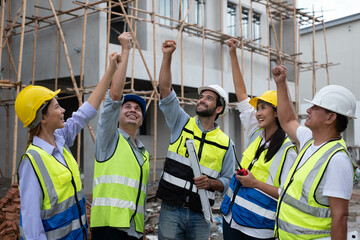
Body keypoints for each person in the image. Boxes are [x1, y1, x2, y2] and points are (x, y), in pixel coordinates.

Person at [15, 51, 121, 239]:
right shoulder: (32, 163)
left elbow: (87, 110)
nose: (63, 110)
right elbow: (32, 228)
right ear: (43, 117)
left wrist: (111, 69)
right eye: (56, 107)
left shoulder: (60, 138)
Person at [156, 39, 235, 240]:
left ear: (219, 109)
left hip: (201, 215)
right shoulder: (181, 123)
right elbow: (165, 91)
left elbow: (227, 180)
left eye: (209, 98)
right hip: (171, 210)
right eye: (201, 96)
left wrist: (211, 183)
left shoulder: (226, 143)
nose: (201, 99)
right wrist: (167, 56)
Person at [220, 38, 297, 240]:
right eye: (258, 108)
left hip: (258, 230)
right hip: (231, 220)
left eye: (264, 108)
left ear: (277, 113)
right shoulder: (256, 134)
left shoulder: (288, 150)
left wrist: (255, 183)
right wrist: (233, 54)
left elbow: (288, 194)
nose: (258, 113)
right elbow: (242, 94)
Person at [272, 65, 357, 239]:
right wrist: (281, 84)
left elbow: (340, 217)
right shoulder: (309, 139)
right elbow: (287, 120)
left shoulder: (337, 160)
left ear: (331, 117)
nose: (308, 110)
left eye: (316, 107)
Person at [90, 32, 149, 240]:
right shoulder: (109, 138)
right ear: (118, 114)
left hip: (132, 230)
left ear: (142, 118)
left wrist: (139, 232)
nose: (133, 110)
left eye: (138, 109)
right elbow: (114, 96)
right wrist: (126, 49)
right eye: (127, 107)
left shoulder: (143, 153)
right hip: (108, 229)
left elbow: (138, 195)